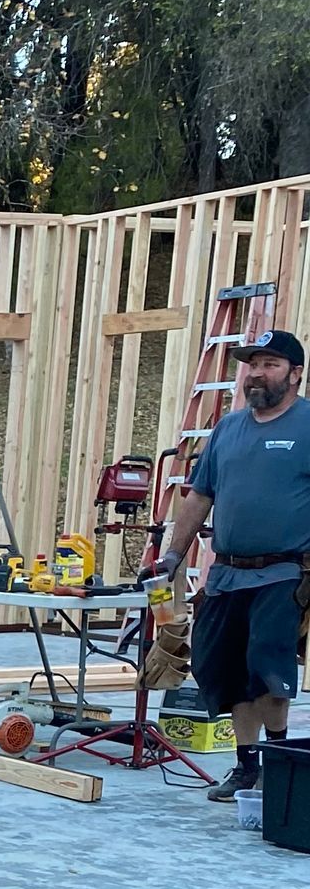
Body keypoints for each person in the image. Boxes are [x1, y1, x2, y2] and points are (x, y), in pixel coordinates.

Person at [147, 327, 310, 800]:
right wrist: (173, 555)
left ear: (295, 374)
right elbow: (200, 496)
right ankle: (246, 765)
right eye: (252, 365)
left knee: (267, 668)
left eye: (270, 365)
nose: (256, 374)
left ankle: (278, 759)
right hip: (227, 572)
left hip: (285, 572)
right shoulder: (228, 428)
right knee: (225, 668)